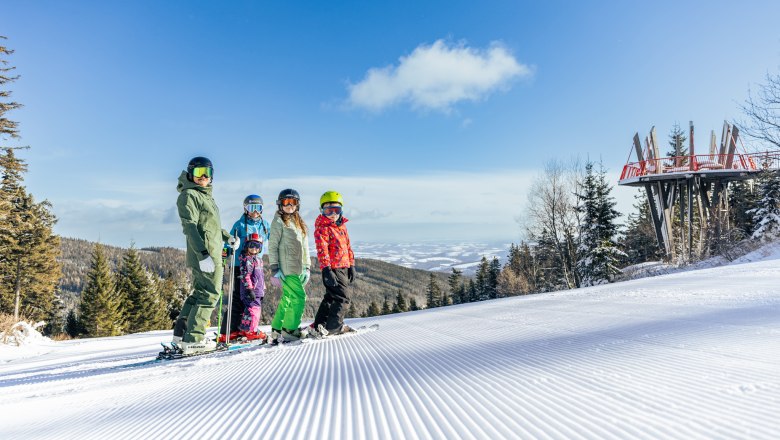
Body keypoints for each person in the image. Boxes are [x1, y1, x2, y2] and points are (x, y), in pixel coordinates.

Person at [173, 156, 239, 354]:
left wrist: (227, 237)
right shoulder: (189, 195)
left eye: (207, 173)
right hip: (206, 254)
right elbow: (190, 227)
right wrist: (203, 254)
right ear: (190, 174)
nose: (203, 177)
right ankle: (194, 339)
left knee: (200, 293)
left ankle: (182, 334)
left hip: (211, 252)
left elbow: (211, 226)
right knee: (211, 295)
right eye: (198, 172)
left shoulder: (205, 196)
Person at [219, 194, 271, 342]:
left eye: (258, 208)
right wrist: (227, 251)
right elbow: (230, 241)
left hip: (256, 266)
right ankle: (228, 331)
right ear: (245, 209)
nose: (255, 211)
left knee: (251, 299)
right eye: (251, 208)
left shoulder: (265, 225)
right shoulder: (240, 225)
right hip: (239, 265)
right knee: (238, 299)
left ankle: (243, 328)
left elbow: (273, 240)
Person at [309, 190, 356, 337]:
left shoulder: (341, 226)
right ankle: (334, 327)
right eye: (328, 210)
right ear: (322, 211)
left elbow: (347, 246)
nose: (333, 214)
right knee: (343, 297)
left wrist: (351, 265)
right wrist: (326, 269)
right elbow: (322, 250)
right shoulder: (322, 228)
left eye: (337, 210)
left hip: (343, 266)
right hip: (333, 268)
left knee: (331, 297)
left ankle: (320, 325)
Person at [267, 188, 311, 342]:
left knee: (288, 297)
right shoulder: (278, 221)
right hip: (287, 268)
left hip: (299, 267)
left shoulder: (298, 222)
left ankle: (277, 328)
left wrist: (307, 267)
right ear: (280, 204)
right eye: (286, 202)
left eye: (294, 202)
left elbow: (305, 247)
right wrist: (275, 268)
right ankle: (290, 330)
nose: (290, 205)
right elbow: (272, 246)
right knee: (299, 297)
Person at [236, 233, 266, 340]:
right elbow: (245, 275)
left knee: (249, 311)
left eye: (257, 246)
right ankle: (252, 331)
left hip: (257, 291)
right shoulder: (247, 260)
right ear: (246, 246)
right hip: (250, 291)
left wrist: (263, 289)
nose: (254, 248)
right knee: (254, 311)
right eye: (251, 245)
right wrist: (249, 289)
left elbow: (261, 277)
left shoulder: (258, 260)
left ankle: (245, 329)